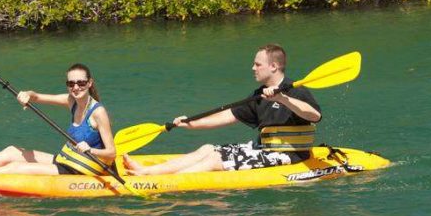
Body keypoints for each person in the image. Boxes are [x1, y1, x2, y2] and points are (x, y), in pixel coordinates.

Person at [123, 44, 321, 175]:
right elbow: (227, 115)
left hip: (290, 155)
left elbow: (314, 115)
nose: (253, 68)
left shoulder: (296, 90)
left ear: (274, 66)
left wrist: (282, 98)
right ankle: (148, 172)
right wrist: (190, 124)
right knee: (207, 149)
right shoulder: (259, 95)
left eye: (257, 64)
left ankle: (165, 183)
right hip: (263, 150)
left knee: (215, 159)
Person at [0, 63, 116, 175]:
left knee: (16, 166)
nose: (76, 87)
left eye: (81, 83)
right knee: (11, 152)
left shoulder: (98, 112)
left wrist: (90, 149)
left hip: (83, 169)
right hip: (67, 160)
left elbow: (111, 153)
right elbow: (37, 97)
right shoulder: (71, 101)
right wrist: (26, 94)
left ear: (89, 83)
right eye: (71, 83)